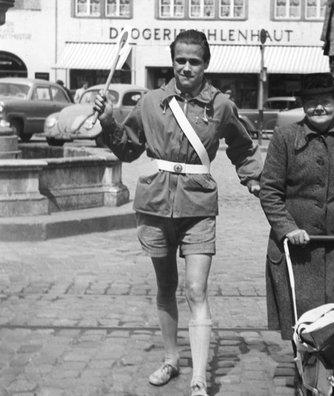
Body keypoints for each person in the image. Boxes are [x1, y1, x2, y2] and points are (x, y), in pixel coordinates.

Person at [92, 29, 262, 396]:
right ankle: (171, 359)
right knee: (166, 287)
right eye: (180, 60)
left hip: (198, 205)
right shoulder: (151, 101)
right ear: (172, 61)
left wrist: (255, 180)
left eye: (194, 61)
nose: (186, 67)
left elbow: (243, 148)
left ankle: (200, 377)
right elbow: (128, 150)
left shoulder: (220, 105)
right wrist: (108, 121)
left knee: (196, 289)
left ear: (206, 64)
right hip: (154, 205)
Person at [259, 72, 334, 340]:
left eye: (325, 100)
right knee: (301, 316)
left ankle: (332, 372)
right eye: (311, 102)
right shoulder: (285, 137)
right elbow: (270, 191)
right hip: (297, 244)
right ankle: (304, 371)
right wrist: (288, 228)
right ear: (303, 105)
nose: (318, 107)